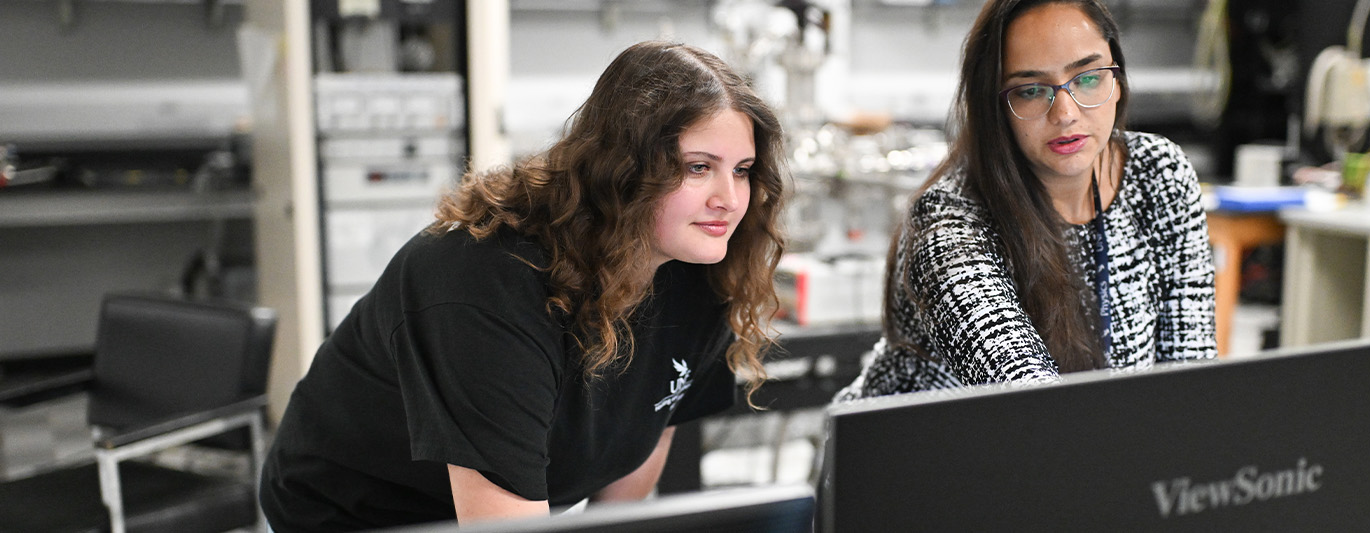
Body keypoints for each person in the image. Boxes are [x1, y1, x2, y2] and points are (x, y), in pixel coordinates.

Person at [259, 41, 787, 531]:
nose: (730, 198)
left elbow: (638, 451)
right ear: (621, 169)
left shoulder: (700, 269)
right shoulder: (484, 281)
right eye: (698, 168)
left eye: (741, 170)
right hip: (360, 513)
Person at [835, 0, 1216, 401]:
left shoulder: (1158, 172)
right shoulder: (949, 226)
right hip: (918, 453)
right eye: (1032, 90)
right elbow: (1030, 404)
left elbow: (1188, 378)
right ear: (995, 107)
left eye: (1088, 77)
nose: (1066, 113)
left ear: (1117, 81)